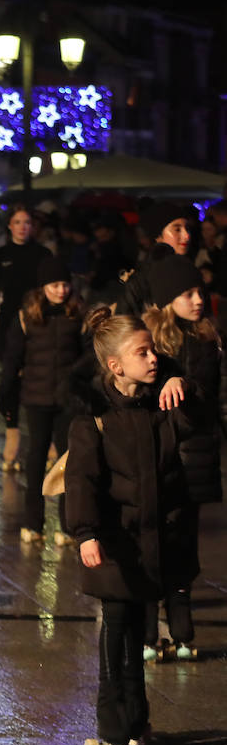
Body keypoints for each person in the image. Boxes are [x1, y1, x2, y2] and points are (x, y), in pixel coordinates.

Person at [66, 307, 189, 745]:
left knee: (138, 626)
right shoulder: (93, 416)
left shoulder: (161, 402)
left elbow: (197, 432)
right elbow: (82, 481)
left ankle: (137, 722)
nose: (154, 358)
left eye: (154, 349)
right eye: (143, 352)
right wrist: (85, 533)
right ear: (115, 366)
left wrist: (185, 385)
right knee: (116, 631)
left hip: (151, 539)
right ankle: (111, 727)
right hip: (113, 540)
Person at [138, 255, 225, 662]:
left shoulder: (207, 340)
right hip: (154, 457)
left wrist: (185, 384)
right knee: (152, 540)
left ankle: (181, 625)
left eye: (200, 292)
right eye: (187, 293)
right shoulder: (148, 342)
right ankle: (147, 627)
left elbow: (211, 398)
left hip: (193, 459)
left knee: (183, 543)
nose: (197, 300)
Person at [0, 257, 84, 545]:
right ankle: (32, 523)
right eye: (54, 285)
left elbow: (86, 358)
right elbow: (12, 360)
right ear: (43, 286)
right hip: (36, 398)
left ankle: (68, 525)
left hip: (68, 400)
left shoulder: (78, 314)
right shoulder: (27, 316)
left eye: (64, 284)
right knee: (36, 457)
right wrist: (6, 396)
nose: (61, 291)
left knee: (67, 460)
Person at [0, 205, 52, 469]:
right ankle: (12, 434)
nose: (22, 226)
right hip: (8, 326)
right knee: (9, 382)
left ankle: (45, 440)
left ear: (33, 226)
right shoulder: (1, 255)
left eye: (27, 222)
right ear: (10, 226)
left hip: (38, 324)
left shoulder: (42, 254)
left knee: (37, 380)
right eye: (17, 222)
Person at [120, 201, 193, 316]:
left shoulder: (189, 270)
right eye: (177, 229)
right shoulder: (142, 278)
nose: (187, 235)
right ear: (158, 236)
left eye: (187, 228)